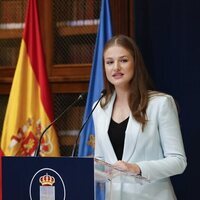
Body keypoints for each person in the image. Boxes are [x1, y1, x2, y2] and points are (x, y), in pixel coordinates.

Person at [93, 35, 187, 200]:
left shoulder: (160, 104)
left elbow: (178, 161)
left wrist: (136, 168)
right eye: (109, 62)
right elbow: (101, 159)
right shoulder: (99, 108)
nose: (116, 67)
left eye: (123, 60)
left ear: (135, 63)